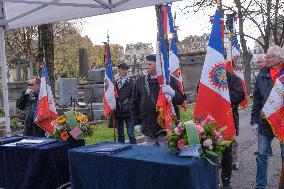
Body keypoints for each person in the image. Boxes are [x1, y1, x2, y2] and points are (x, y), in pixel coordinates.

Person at [131, 54, 185, 147]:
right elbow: (135, 103)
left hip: (165, 127)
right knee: (152, 156)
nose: (146, 67)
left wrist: (172, 93)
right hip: (148, 126)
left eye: (149, 64)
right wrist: (136, 123)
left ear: (158, 66)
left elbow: (180, 100)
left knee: (166, 155)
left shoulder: (169, 80)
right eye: (146, 64)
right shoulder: (140, 81)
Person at [251, 45, 284, 189]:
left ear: (278, 58)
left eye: (270, 56)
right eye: (267, 56)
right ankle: (260, 186)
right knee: (262, 156)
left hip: (283, 122)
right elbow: (257, 100)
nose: (267, 59)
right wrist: (254, 121)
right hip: (265, 120)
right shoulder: (262, 75)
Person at [220, 71, 245, 189]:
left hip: (228, 118)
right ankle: (211, 179)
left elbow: (240, 95)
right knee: (208, 149)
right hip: (210, 118)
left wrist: (222, 96)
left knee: (226, 152)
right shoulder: (207, 73)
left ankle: (226, 181)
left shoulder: (232, 77)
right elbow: (201, 91)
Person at [253, 55, 273, 156]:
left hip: (272, 109)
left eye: (260, 61)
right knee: (264, 130)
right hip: (262, 110)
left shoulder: (272, 73)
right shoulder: (260, 74)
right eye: (257, 62)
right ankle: (266, 149)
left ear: (267, 61)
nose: (258, 64)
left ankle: (266, 149)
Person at [115, 63, 136, 144]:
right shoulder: (115, 82)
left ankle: (135, 149)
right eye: (123, 69)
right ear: (119, 70)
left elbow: (134, 96)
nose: (125, 71)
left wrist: (128, 104)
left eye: (126, 69)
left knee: (131, 134)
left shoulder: (131, 82)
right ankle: (121, 149)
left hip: (128, 110)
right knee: (120, 134)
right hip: (118, 111)